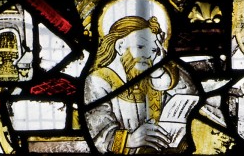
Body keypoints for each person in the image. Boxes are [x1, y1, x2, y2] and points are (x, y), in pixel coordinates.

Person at [84, 15, 198, 154]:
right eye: (140, 46)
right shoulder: (98, 81)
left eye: (153, 50)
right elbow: (98, 135)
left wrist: (158, 66)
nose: (148, 56)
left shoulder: (149, 75)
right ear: (120, 45)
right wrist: (129, 140)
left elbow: (191, 93)